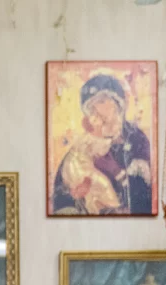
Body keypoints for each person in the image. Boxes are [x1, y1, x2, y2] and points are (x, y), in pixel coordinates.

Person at [51, 72, 153, 215]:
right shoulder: (84, 145)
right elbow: (60, 196)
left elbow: (145, 199)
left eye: (100, 101)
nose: (95, 109)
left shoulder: (136, 140)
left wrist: (116, 171)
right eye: (90, 106)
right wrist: (75, 193)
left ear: (118, 103)